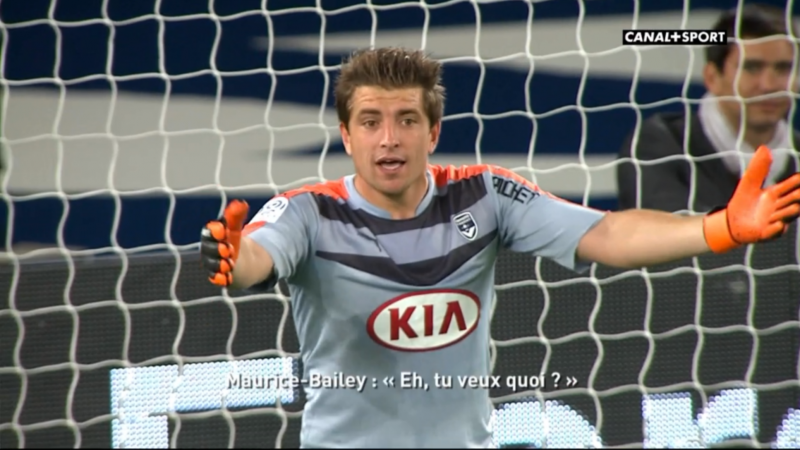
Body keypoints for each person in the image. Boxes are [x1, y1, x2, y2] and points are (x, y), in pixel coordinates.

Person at [200, 47, 800, 448]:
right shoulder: (308, 210)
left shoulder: (485, 194)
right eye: (371, 121)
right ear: (346, 135)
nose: (389, 139)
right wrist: (231, 255)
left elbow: (607, 232)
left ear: (433, 131)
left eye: (407, 119)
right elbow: (257, 255)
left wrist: (718, 227)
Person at [617, 3, 800, 213]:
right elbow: (664, 230)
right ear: (712, 77)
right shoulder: (660, 144)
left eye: (783, 68)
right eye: (751, 68)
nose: (769, 85)